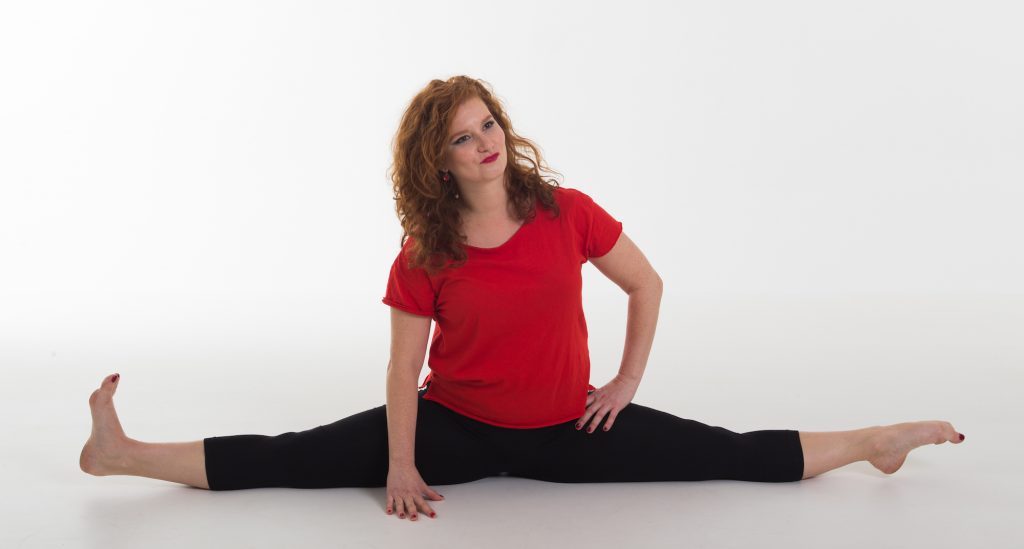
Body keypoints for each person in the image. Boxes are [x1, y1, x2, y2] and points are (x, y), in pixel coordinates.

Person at [80, 75, 966, 522]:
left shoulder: (566, 213)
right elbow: (401, 371)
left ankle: (872, 442)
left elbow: (646, 283)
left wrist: (624, 383)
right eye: (462, 139)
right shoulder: (426, 251)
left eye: (488, 124)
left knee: (722, 451)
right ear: (438, 163)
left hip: (570, 428)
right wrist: (400, 464)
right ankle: (122, 454)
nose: (484, 143)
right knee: (296, 456)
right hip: (454, 428)